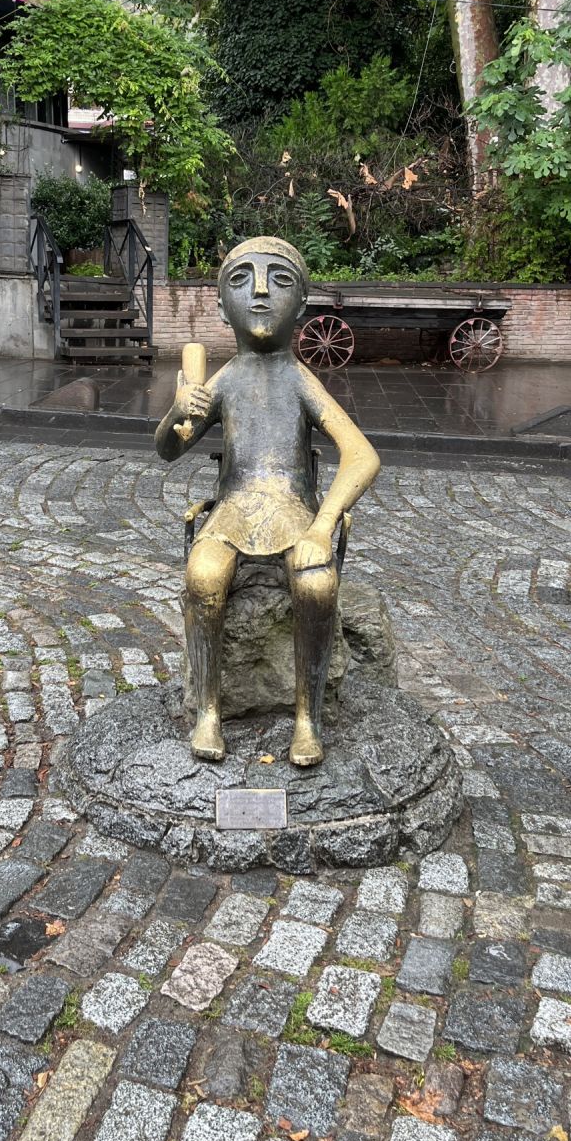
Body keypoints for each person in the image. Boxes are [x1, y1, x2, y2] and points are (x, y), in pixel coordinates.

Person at [154, 236, 380, 767]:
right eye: (242, 280)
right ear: (221, 306)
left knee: (317, 584)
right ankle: (209, 711)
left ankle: (308, 718)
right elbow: (169, 449)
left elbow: (361, 455)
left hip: (294, 513)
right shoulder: (225, 379)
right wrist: (176, 412)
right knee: (204, 575)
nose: (260, 291)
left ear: (300, 305)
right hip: (232, 511)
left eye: (278, 280)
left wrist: (322, 527)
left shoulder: (299, 380)